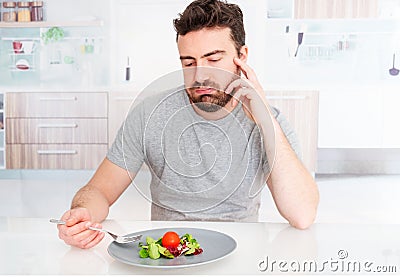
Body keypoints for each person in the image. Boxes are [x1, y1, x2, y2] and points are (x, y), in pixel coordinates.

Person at [57, 0, 319, 249]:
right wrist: (83, 213)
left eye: (214, 60)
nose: (200, 74)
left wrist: (265, 121)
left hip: (240, 249)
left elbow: (303, 215)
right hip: (169, 252)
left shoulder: (269, 122)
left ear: (242, 57)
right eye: (189, 62)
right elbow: (99, 190)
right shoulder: (150, 114)